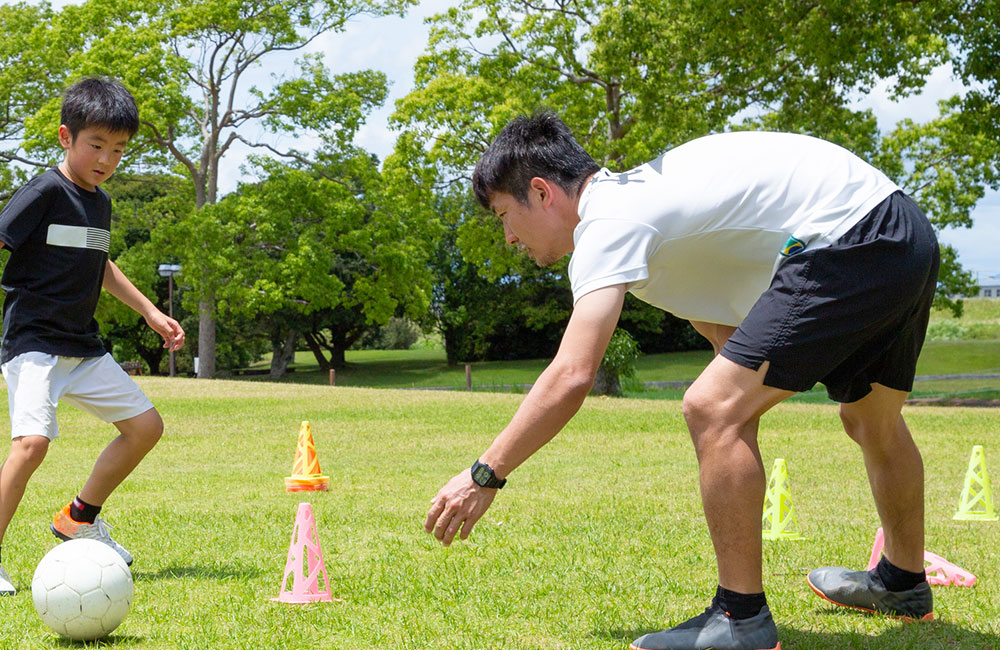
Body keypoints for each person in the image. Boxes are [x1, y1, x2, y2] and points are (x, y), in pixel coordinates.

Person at [424, 111, 939, 650]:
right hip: (901, 233)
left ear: (541, 191)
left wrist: (485, 475)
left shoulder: (609, 220)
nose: (508, 237)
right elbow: (728, 335)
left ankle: (741, 620)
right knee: (870, 418)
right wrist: (739, 414)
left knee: (710, 408)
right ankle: (902, 583)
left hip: (850, 238)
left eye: (506, 214)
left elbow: (574, 373)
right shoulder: (649, 212)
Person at [0, 77, 185, 596]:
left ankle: (79, 518)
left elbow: (99, 262)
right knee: (32, 444)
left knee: (145, 427)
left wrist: (149, 309)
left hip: (81, 346)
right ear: (66, 137)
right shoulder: (42, 192)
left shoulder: (99, 202)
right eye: (96, 145)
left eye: (119, 149)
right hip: (33, 342)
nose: (106, 159)